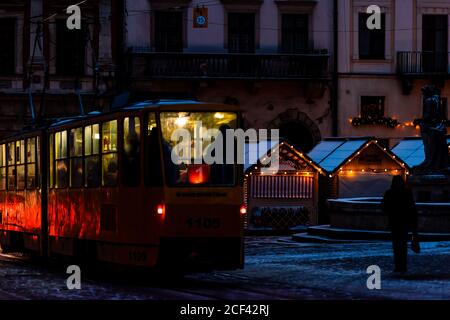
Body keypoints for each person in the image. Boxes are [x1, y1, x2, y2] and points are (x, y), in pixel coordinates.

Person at [382, 175, 418, 273]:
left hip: (397, 222)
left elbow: (384, 207)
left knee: (399, 245)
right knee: (400, 245)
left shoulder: (390, 193)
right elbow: (412, 207)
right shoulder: (406, 192)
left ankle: (400, 265)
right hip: (401, 222)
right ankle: (401, 265)